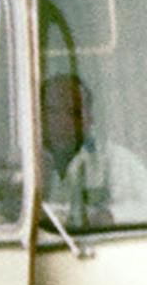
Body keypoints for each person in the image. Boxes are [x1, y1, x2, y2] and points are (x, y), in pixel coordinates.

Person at [40, 72, 145, 228]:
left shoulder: (114, 160)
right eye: (53, 112)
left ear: (89, 119)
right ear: (38, 116)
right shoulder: (23, 165)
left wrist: (110, 216)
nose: (62, 121)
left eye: (73, 113)